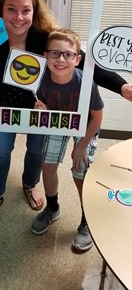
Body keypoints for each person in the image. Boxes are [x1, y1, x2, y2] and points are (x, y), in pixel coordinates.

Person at [0, 0, 132, 225]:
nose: (18, 17)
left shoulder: (44, 39)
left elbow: (86, 66)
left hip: (41, 104)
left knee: (38, 150)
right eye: (11, 9)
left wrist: (121, 86)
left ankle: (29, 184)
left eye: (25, 10)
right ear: (1, 11)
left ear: (34, 12)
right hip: (2, 104)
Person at [30, 29, 104, 252]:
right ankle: (52, 208)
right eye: (55, 53)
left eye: (68, 55)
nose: (61, 59)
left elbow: (97, 116)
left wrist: (81, 146)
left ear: (77, 59)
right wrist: (39, 108)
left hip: (85, 125)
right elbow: (37, 106)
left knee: (80, 171)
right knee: (48, 165)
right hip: (57, 121)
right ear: (46, 56)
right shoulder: (39, 79)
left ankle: (87, 221)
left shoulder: (85, 82)